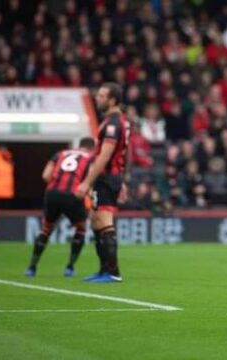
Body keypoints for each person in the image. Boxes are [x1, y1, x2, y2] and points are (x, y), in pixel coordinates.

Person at [75, 82, 130, 283]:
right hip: (110, 177)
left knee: (104, 221)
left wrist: (86, 182)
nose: (98, 98)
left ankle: (113, 272)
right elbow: (123, 153)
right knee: (97, 221)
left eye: (102, 96)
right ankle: (103, 270)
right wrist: (121, 179)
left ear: (113, 100)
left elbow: (105, 156)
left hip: (106, 177)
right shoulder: (117, 122)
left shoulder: (113, 124)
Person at [25, 137, 95, 277]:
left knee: (46, 229)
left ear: (78, 146)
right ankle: (69, 267)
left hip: (52, 194)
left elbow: (45, 176)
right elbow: (90, 180)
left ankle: (32, 268)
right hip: (73, 195)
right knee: (81, 229)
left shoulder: (60, 154)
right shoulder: (91, 158)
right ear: (92, 148)